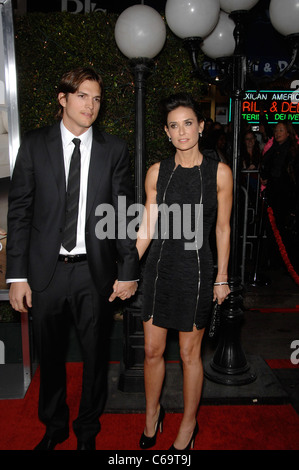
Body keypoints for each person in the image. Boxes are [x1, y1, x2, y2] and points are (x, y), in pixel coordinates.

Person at [6, 67, 139, 450]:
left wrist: (128, 269)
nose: (91, 105)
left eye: (96, 98)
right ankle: (54, 427)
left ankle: (86, 432)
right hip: (44, 274)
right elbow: (20, 212)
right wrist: (16, 275)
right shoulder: (33, 144)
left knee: (97, 358)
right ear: (62, 98)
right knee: (50, 359)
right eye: (82, 95)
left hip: (93, 273)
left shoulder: (114, 149)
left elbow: (123, 213)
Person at [136, 93, 232, 451]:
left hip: (196, 271)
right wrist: (128, 269)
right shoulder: (157, 172)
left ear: (201, 126)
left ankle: (189, 425)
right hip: (159, 270)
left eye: (188, 123)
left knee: (190, 355)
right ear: (166, 132)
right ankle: (152, 414)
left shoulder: (219, 173)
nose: (182, 132)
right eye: (174, 126)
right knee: (151, 351)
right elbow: (148, 223)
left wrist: (221, 277)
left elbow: (222, 229)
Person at [260, 121, 299, 269]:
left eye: (280, 130)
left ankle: (287, 263)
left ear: (288, 133)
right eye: (276, 130)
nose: (277, 133)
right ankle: (275, 261)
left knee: (285, 230)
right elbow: (264, 165)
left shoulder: (293, 151)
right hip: (273, 194)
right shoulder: (273, 149)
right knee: (273, 229)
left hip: (287, 196)